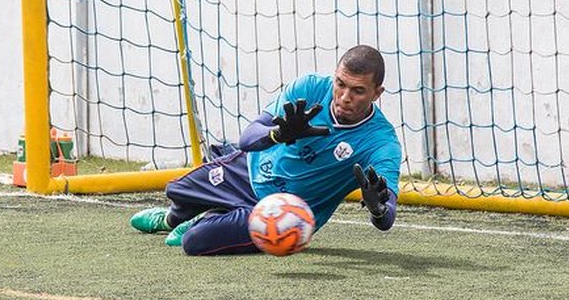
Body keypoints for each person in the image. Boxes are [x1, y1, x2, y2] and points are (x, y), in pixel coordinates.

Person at [130, 44, 402, 256]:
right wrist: (278, 134)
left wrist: (379, 210)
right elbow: (249, 138)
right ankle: (170, 218)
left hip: (287, 213)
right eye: (340, 84)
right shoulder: (308, 87)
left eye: (358, 91)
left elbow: (386, 214)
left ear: (377, 93)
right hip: (248, 171)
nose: (344, 97)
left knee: (193, 241)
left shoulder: (381, 141)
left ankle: (211, 217)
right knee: (175, 191)